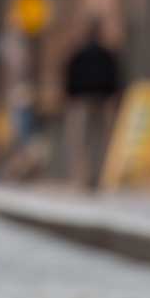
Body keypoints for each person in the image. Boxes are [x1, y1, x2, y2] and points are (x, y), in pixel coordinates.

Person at [62, 15, 123, 191]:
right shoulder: (107, 53)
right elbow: (115, 77)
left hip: (82, 101)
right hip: (101, 100)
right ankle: (96, 176)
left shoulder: (78, 53)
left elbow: (69, 78)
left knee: (83, 140)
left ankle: (84, 177)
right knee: (99, 139)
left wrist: (69, 97)